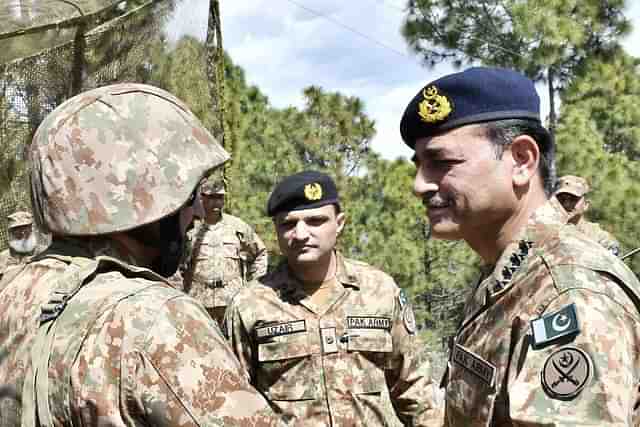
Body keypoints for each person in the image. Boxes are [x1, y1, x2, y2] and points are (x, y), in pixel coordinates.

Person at [0, 83, 278, 426]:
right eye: (190, 197)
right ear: (142, 196)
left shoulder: (10, 291)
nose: (200, 215)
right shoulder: (153, 319)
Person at [400, 67, 640, 426]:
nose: (420, 184)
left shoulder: (567, 294)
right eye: (419, 165)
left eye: (442, 162)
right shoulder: (507, 275)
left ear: (522, 161)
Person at [225, 170, 441, 426]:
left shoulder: (379, 291)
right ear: (276, 230)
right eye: (288, 224)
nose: (302, 234)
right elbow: (235, 400)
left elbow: (416, 391)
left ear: (339, 223)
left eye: (316, 221)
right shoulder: (250, 304)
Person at [183, 177, 268, 327]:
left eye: (220, 197)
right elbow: (175, 267)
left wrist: (254, 287)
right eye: (211, 197)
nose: (216, 202)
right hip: (198, 303)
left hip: (232, 300)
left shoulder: (238, 227)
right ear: (201, 198)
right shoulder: (190, 229)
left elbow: (260, 253)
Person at [552, 174, 621, 256]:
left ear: (586, 205)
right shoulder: (544, 231)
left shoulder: (600, 239)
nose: (566, 204)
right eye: (561, 199)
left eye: (573, 199)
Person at [0, 211, 39, 280]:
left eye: (25, 227)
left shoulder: (44, 253)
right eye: (16, 229)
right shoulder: (2, 259)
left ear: (32, 228)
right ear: (10, 232)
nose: (22, 232)